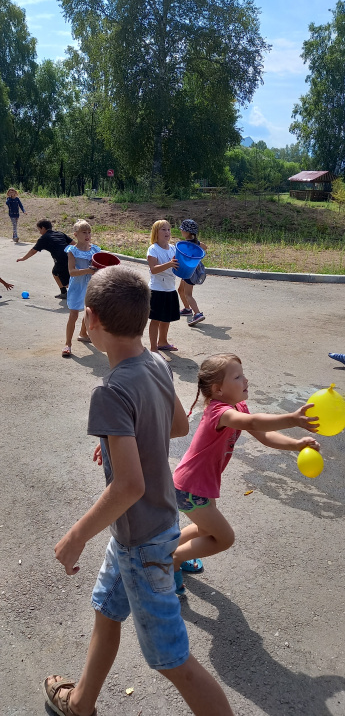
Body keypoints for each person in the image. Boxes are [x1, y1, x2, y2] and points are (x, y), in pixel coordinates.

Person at [43, 266, 235, 716]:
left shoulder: (109, 391)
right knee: (106, 612)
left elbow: (129, 486)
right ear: (145, 314)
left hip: (141, 543)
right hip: (154, 525)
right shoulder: (156, 361)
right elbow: (177, 425)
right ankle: (80, 704)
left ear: (90, 319)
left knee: (174, 662)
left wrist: (75, 537)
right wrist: (118, 444)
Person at [172, 352, 320, 595]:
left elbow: (265, 435)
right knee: (224, 538)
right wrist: (293, 419)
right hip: (190, 487)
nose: (246, 380)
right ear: (218, 390)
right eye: (238, 377)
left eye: (243, 374)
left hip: (199, 485)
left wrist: (296, 445)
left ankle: (164, 554)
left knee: (205, 530)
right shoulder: (220, 412)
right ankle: (173, 559)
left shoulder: (237, 406)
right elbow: (252, 423)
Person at [62, 220, 101, 358]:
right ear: (76, 234)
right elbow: (72, 272)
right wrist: (88, 270)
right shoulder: (72, 250)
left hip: (91, 284)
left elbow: (100, 267)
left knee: (89, 312)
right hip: (77, 285)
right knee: (74, 314)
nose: (87, 235)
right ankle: (68, 344)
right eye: (84, 232)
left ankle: (83, 334)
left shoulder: (95, 249)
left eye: (89, 232)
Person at [16, 219, 75, 298]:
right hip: (71, 257)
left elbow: (33, 251)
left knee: (66, 282)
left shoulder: (44, 238)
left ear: (43, 228)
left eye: (39, 230)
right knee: (56, 273)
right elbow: (74, 244)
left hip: (61, 259)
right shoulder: (59, 233)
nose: (39, 232)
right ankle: (64, 292)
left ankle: (72, 293)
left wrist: (23, 258)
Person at [147, 219, 180, 352]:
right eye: (163, 229)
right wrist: (169, 264)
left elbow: (178, 266)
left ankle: (163, 342)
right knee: (155, 320)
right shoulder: (153, 249)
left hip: (170, 289)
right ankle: (154, 348)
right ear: (156, 232)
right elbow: (153, 269)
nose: (167, 232)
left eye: (169, 229)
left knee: (167, 319)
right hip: (157, 290)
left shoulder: (173, 248)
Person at [178, 218, 207, 327]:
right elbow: (205, 247)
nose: (181, 231)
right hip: (192, 270)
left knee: (188, 294)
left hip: (188, 272)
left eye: (182, 230)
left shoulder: (185, 244)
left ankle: (197, 313)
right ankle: (187, 309)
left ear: (186, 232)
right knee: (180, 290)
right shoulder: (196, 243)